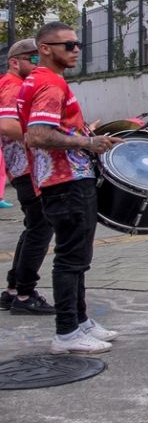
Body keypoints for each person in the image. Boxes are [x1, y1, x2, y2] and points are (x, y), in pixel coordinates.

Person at [17, 22, 121, 353]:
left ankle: (80, 321)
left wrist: (83, 135)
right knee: (70, 259)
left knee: (77, 256)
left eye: (77, 45)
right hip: (65, 182)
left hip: (65, 180)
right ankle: (66, 333)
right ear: (45, 49)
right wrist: (87, 142)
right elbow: (37, 135)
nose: (76, 49)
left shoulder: (45, 81)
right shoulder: (49, 83)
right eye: (69, 45)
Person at [0, 39, 55, 315]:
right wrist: (50, 138)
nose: (38, 63)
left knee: (34, 226)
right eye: (32, 59)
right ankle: (24, 295)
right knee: (41, 228)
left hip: (24, 169)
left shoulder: (14, 84)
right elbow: (8, 125)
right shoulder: (12, 86)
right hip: (26, 169)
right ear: (14, 61)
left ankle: (13, 290)